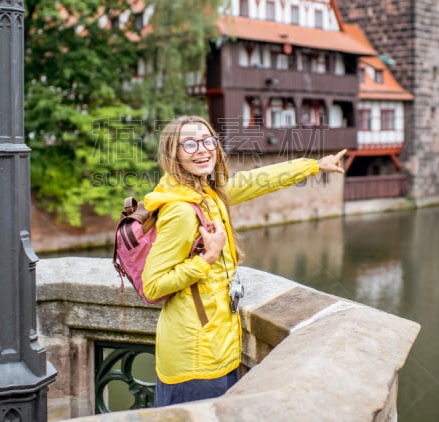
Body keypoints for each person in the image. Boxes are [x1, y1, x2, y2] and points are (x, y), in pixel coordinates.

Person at [141, 115, 346, 407]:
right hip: (194, 361)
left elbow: (256, 181)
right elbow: (153, 286)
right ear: (173, 154)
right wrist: (207, 259)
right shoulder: (181, 211)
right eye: (189, 143)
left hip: (218, 348)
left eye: (207, 140)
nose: (201, 149)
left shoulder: (207, 194)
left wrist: (313, 165)